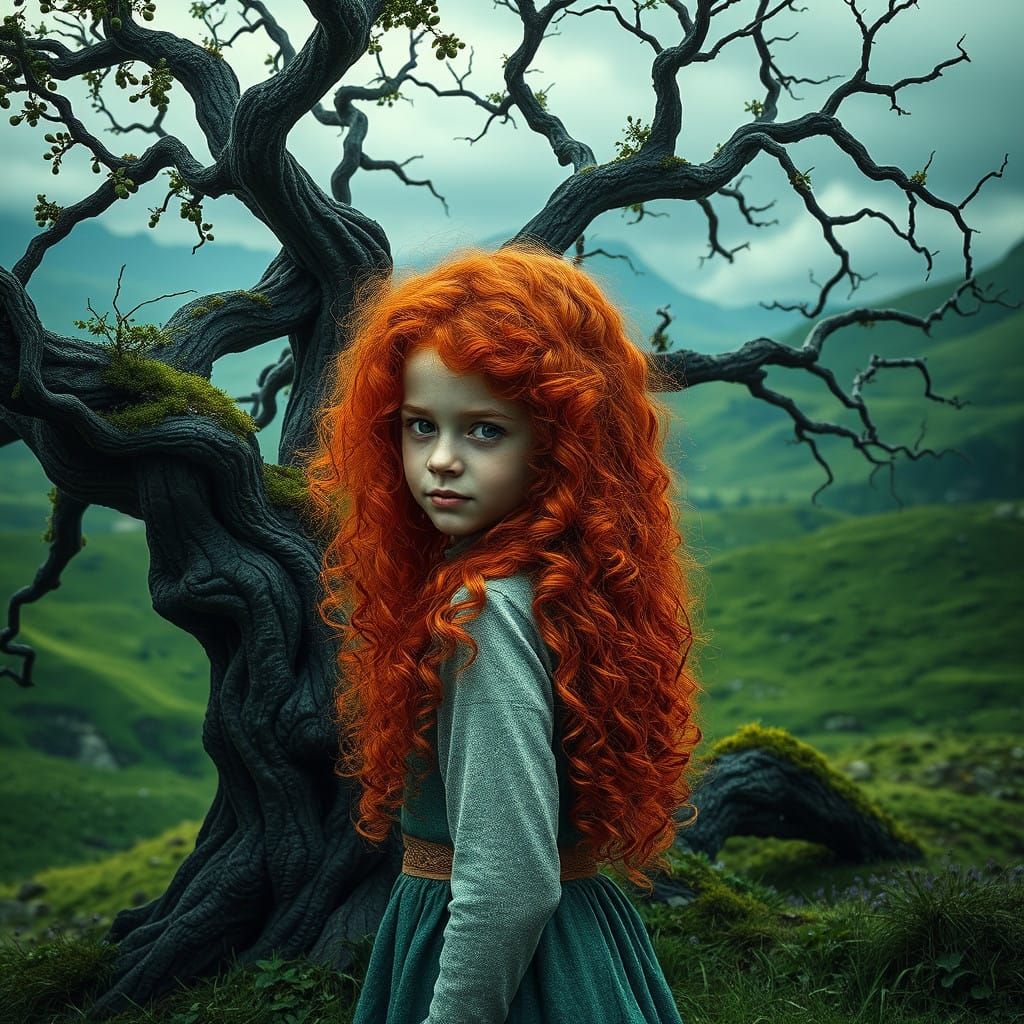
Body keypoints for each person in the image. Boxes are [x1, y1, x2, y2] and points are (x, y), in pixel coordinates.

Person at [302, 239, 707, 1023]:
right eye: (420, 426)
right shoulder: (552, 588)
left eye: (484, 431)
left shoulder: (483, 609)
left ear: (562, 447)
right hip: (581, 946)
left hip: (518, 975)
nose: (442, 460)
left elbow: (509, 887)